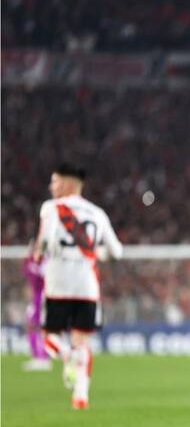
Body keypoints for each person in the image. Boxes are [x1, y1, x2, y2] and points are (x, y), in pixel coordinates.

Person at [33, 163, 123, 410]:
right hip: (87, 286)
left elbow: (45, 241)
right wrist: (96, 254)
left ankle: (66, 355)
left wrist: (39, 253)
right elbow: (116, 251)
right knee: (82, 343)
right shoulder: (98, 213)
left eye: (55, 181)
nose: (51, 187)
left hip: (59, 284)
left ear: (66, 183)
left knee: (49, 337)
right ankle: (80, 397)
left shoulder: (52, 208)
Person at [21, 242, 52, 371]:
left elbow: (43, 278)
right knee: (32, 325)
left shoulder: (46, 263)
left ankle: (43, 358)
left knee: (39, 326)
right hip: (36, 298)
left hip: (44, 297)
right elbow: (27, 274)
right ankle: (38, 356)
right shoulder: (32, 262)